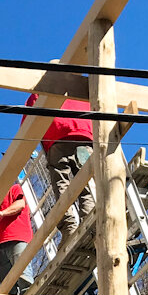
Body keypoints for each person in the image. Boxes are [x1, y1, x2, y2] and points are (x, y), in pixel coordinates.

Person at [25, 93, 95, 243]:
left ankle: (69, 227)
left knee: (62, 184)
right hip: (85, 135)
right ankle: (90, 219)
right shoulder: (79, 88)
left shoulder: (40, 92)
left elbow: (27, 124)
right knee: (87, 184)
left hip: (56, 138)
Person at [0, 181, 34, 295]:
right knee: (6, 286)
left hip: (16, 237)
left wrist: (3, 213)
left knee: (24, 277)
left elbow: (20, 204)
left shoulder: (15, 188)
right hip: (0, 245)